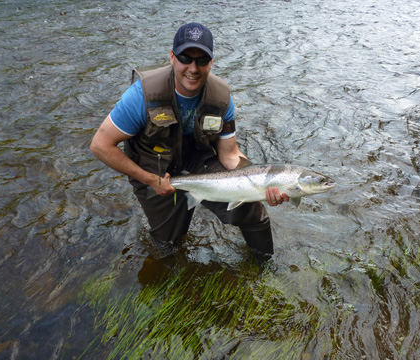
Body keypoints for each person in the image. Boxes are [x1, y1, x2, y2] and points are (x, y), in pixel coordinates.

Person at [90, 22, 289, 257]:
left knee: (252, 209)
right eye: (186, 57)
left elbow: (230, 154)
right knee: (168, 243)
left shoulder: (222, 98)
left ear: (211, 63)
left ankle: (264, 263)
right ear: (172, 57)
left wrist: (259, 181)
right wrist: (150, 179)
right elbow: (100, 146)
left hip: (198, 157)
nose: (193, 68)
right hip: (153, 164)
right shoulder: (142, 95)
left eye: (202, 60)